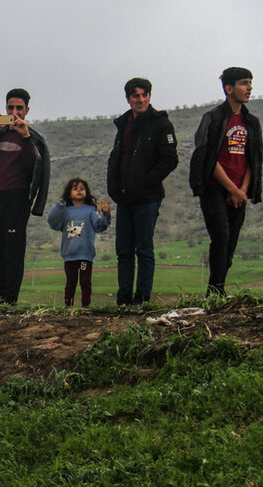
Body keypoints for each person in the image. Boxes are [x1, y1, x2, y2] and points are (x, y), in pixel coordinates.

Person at [0, 88, 50, 305]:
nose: (14, 112)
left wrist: (25, 137)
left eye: (19, 108)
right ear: (5, 109)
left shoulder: (33, 139)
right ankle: (1, 296)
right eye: (11, 108)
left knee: (13, 251)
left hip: (17, 199)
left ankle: (10, 300)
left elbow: (33, 167)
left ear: (27, 110)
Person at [106, 77, 178, 307]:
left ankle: (142, 298)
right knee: (123, 249)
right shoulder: (124, 124)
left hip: (147, 197)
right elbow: (117, 157)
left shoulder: (161, 124)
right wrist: (113, 187)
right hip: (125, 197)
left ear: (149, 96)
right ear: (128, 99)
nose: (141, 100)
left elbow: (169, 160)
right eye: (136, 96)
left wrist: (146, 182)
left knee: (144, 248)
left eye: (144, 95)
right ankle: (124, 297)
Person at [190, 67, 262, 296]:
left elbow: (254, 159)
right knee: (220, 236)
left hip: (240, 191)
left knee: (230, 242)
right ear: (228, 88)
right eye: (244, 83)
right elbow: (207, 157)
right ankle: (215, 291)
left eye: (250, 82)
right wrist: (231, 188)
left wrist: (242, 190)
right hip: (214, 189)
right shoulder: (212, 118)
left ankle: (218, 289)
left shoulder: (251, 122)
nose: (249, 87)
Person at [47, 178, 112, 307]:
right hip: (69, 255)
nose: (79, 191)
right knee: (70, 281)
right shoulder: (64, 211)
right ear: (68, 192)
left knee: (85, 281)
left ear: (86, 192)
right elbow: (52, 221)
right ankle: (68, 306)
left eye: (82, 189)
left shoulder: (90, 210)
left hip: (85, 256)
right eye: (75, 189)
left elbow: (100, 226)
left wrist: (106, 214)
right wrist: (59, 205)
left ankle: (85, 306)